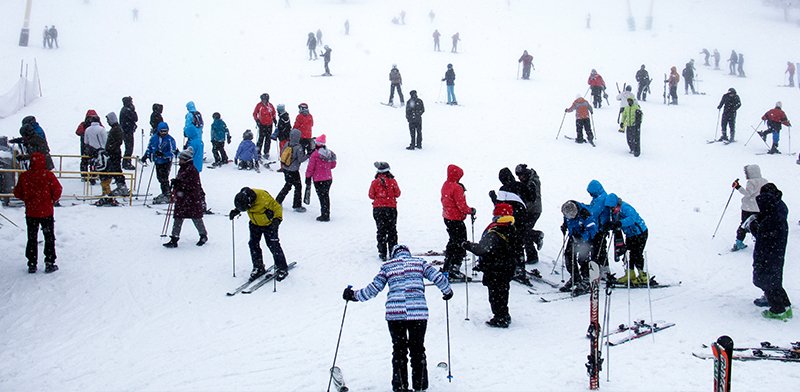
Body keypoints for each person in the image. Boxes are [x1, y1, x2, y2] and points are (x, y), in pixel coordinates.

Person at [342, 244, 452, 392]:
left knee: (399, 350)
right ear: (408, 253)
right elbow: (438, 277)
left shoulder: (388, 266)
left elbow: (374, 288)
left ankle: (400, 386)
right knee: (417, 349)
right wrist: (447, 291)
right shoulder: (419, 263)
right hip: (418, 313)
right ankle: (420, 386)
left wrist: (353, 295)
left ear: (394, 254)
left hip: (395, 314)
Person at [463, 203, 517, 328]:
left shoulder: (494, 233)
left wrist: (467, 245)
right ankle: (504, 314)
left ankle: (500, 317)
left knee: (495, 296)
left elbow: (482, 249)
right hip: (507, 268)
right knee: (503, 293)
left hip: (494, 270)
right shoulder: (512, 228)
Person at [743, 183, 792, 320]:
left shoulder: (771, 220)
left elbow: (762, 236)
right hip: (775, 254)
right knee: (775, 281)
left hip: (767, 255)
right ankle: (786, 306)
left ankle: (778, 310)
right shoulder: (778, 212)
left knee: (764, 280)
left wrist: (752, 226)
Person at [14, 152, 62, 274]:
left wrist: (28, 199)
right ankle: (49, 262)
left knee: (32, 238)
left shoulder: (25, 176)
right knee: (49, 237)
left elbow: (17, 192)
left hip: (31, 212)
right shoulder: (48, 176)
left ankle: (32, 263)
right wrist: (51, 200)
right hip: (46, 211)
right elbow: (57, 190)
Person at [229, 187, 290, 281]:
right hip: (254, 223)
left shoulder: (263, 197)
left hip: (269, 224)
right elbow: (242, 204)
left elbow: (277, 207)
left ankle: (282, 268)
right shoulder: (243, 198)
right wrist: (236, 210)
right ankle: (258, 267)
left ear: (250, 201)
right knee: (253, 244)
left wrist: (277, 221)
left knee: (273, 245)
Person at [163, 147, 208, 248]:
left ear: (186, 159)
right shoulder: (184, 168)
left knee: (196, 218)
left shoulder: (191, 169)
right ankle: (174, 238)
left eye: (181, 159)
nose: (179, 161)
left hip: (191, 198)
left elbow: (192, 185)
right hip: (182, 198)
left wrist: (179, 183)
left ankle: (203, 235)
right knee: (178, 217)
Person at [488, 169, 527, 282]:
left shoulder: (503, 189)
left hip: (510, 218)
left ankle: (514, 266)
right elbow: (531, 197)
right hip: (522, 216)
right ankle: (520, 268)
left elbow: (499, 206)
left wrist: (493, 197)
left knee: (511, 241)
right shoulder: (520, 185)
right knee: (519, 241)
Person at [601, 193, 648, 285]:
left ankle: (643, 275)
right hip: (630, 235)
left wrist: (619, 223)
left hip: (640, 233)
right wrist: (610, 226)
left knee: (637, 253)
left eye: (613, 207)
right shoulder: (615, 212)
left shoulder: (626, 208)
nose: (612, 210)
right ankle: (630, 273)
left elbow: (632, 219)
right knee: (628, 253)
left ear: (617, 204)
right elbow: (615, 223)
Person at [441, 164, 475, 280]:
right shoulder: (457, 187)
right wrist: (470, 211)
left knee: (452, 241)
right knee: (461, 242)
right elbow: (461, 205)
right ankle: (454, 268)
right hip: (456, 218)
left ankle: (447, 265)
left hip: (447, 217)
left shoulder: (446, 185)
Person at [559, 200, 598, 294]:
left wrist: (582, 237)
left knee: (583, 258)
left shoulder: (585, 214)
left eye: (571, 216)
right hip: (574, 235)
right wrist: (565, 226)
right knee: (568, 255)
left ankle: (586, 279)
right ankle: (575, 277)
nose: (569, 218)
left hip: (586, 238)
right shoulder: (567, 209)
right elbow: (567, 220)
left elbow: (592, 229)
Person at [731, 165, 768, 252]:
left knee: (744, 224)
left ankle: (739, 242)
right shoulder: (764, 181)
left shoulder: (751, 182)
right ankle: (761, 241)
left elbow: (748, 193)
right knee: (758, 225)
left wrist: (738, 187)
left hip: (748, 208)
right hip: (759, 207)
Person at [369, 162, 401, 260]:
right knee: (392, 230)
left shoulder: (374, 182)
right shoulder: (393, 181)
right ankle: (393, 250)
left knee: (381, 230)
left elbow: (371, 195)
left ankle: (382, 252)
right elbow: (398, 193)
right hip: (391, 208)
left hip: (378, 209)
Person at [142, 122, 177, 204]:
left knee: (164, 177)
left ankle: (167, 193)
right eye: (162, 131)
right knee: (159, 177)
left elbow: (174, 152)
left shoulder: (170, 139)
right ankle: (165, 192)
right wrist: (146, 156)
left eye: (165, 131)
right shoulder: (154, 138)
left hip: (166, 161)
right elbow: (150, 148)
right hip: (157, 161)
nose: (164, 133)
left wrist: (164, 154)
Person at [514, 164, 543, 264]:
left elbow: (531, 197)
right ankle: (532, 256)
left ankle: (536, 236)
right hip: (529, 210)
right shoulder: (529, 180)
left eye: (521, 175)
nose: (520, 178)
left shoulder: (532, 182)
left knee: (524, 231)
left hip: (533, 210)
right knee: (524, 231)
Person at [305, 134, 337, 221]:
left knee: (322, 197)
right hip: (328, 178)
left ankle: (324, 215)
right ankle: (326, 213)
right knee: (326, 196)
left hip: (319, 179)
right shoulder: (329, 153)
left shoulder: (315, 154)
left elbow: (310, 168)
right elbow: (333, 165)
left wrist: (308, 177)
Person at [276, 129, 309, 212]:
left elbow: (282, 153)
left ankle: (278, 201)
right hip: (293, 170)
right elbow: (301, 159)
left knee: (288, 185)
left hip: (286, 168)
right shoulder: (298, 147)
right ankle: (297, 205)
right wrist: (308, 155)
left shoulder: (287, 144)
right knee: (298, 187)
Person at [101, 112, 129, 204]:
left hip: (114, 153)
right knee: (115, 169)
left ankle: (122, 186)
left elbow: (117, 142)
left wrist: (110, 148)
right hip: (114, 152)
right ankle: (120, 185)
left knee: (116, 170)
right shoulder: (115, 129)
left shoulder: (116, 129)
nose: (107, 122)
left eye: (108, 120)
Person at [75, 109, 99, 182]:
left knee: (84, 160)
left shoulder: (83, 124)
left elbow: (78, 132)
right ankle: (94, 175)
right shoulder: (98, 124)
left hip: (84, 145)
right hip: (94, 145)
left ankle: (84, 175)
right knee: (94, 160)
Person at [253, 93, 277, 159]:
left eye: (265, 99)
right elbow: (255, 113)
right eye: (263, 99)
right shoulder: (259, 105)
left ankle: (266, 152)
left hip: (269, 124)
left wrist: (274, 119)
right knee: (260, 139)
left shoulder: (270, 105)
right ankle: (258, 152)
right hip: (262, 124)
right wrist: (257, 120)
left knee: (268, 139)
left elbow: (274, 113)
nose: (264, 100)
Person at [183, 101, 204, 173]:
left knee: (191, 156)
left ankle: (191, 173)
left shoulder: (189, 115)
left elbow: (188, 127)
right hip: (199, 138)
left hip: (192, 138)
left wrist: (186, 133)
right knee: (198, 156)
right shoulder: (198, 114)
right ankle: (197, 172)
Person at [119, 96, 138, 170]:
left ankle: (126, 162)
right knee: (129, 148)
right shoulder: (127, 110)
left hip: (126, 131)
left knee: (128, 147)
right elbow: (135, 118)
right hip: (127, 131)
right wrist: (133, 110)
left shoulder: (124, 110)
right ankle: (126, 162)